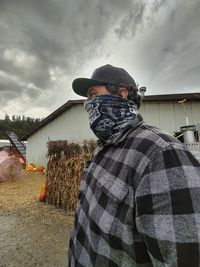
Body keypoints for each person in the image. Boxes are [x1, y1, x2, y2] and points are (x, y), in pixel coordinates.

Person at [68, 64, 200, 267]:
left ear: (121, 94)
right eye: (87, 98)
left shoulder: (161, 153)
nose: (88, 105)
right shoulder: (104, 145)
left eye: (93, 95)